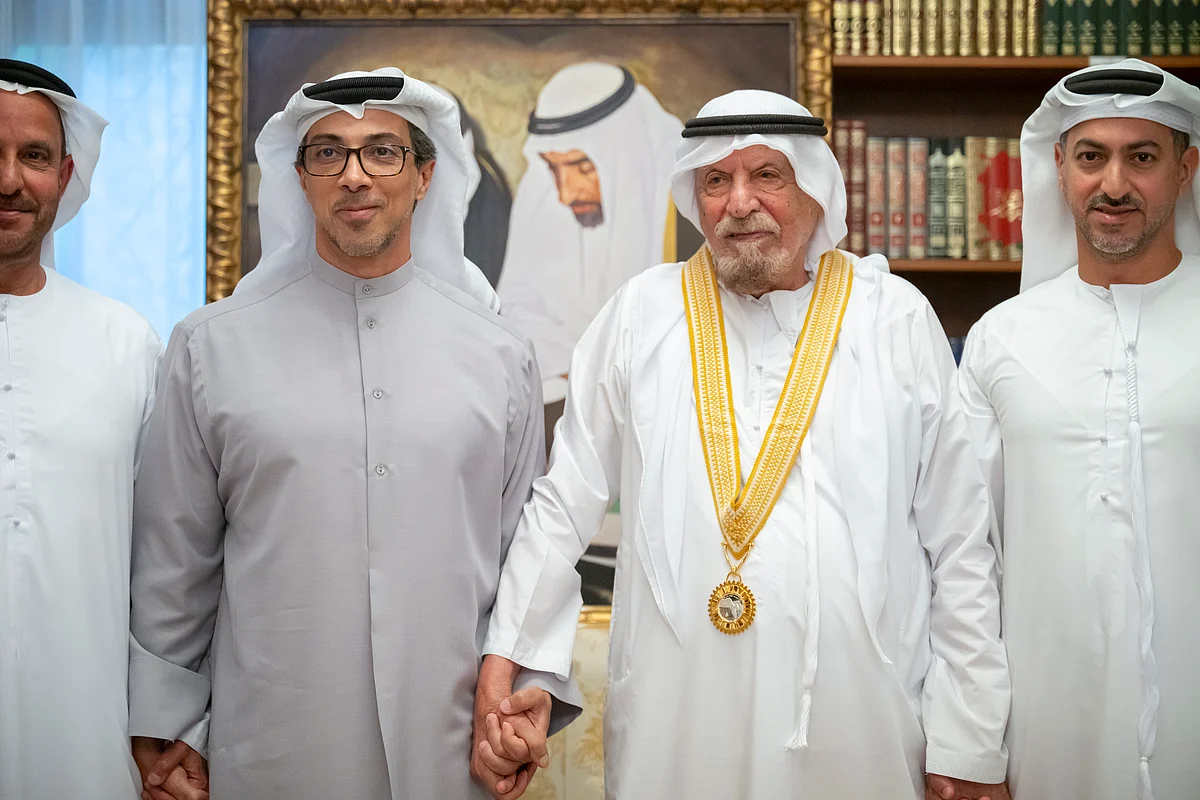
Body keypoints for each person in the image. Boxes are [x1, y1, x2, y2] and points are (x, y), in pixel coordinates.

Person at [476, 89, 1011, 800]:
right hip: (677, 723)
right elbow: (561, 504)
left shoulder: (893, 319)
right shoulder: (641, 315)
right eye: (716, 180)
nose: (739, 202)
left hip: (861, 726)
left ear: (812, 187)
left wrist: (969, 739)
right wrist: (509, 658)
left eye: (767, 175)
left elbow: (960, 543)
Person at [127, 68, 578, 800]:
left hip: (453, 748)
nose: (355, 175)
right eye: (329, 152)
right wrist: (165, 722)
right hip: (271, 749)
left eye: (383, 152)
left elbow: (524, 557)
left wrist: (526, 698)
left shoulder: (501, 355)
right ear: (300, 177)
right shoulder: (210, 347)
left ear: (425, 175)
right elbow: (174, 564)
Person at [959, 59, 1200, 800]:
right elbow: (964, 560)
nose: (1114, 184)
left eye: (1142, 157)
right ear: (1060, 169)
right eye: (1092, 157)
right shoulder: (1001, 340)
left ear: (1186, 169)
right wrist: (971, 745)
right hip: (1045, 735)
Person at [0, 59, 163, 800]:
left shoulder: (126, 342)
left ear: (64, 176)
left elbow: (168, 566)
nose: (10, 179)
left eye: (33, 156)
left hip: (87, 743)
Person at [498, 62, 685, 407]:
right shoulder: (546, 202)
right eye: (553, 168)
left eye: (583, 167)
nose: (565, 194)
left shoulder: (685, 214)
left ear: (628, 159)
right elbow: (521, 308)